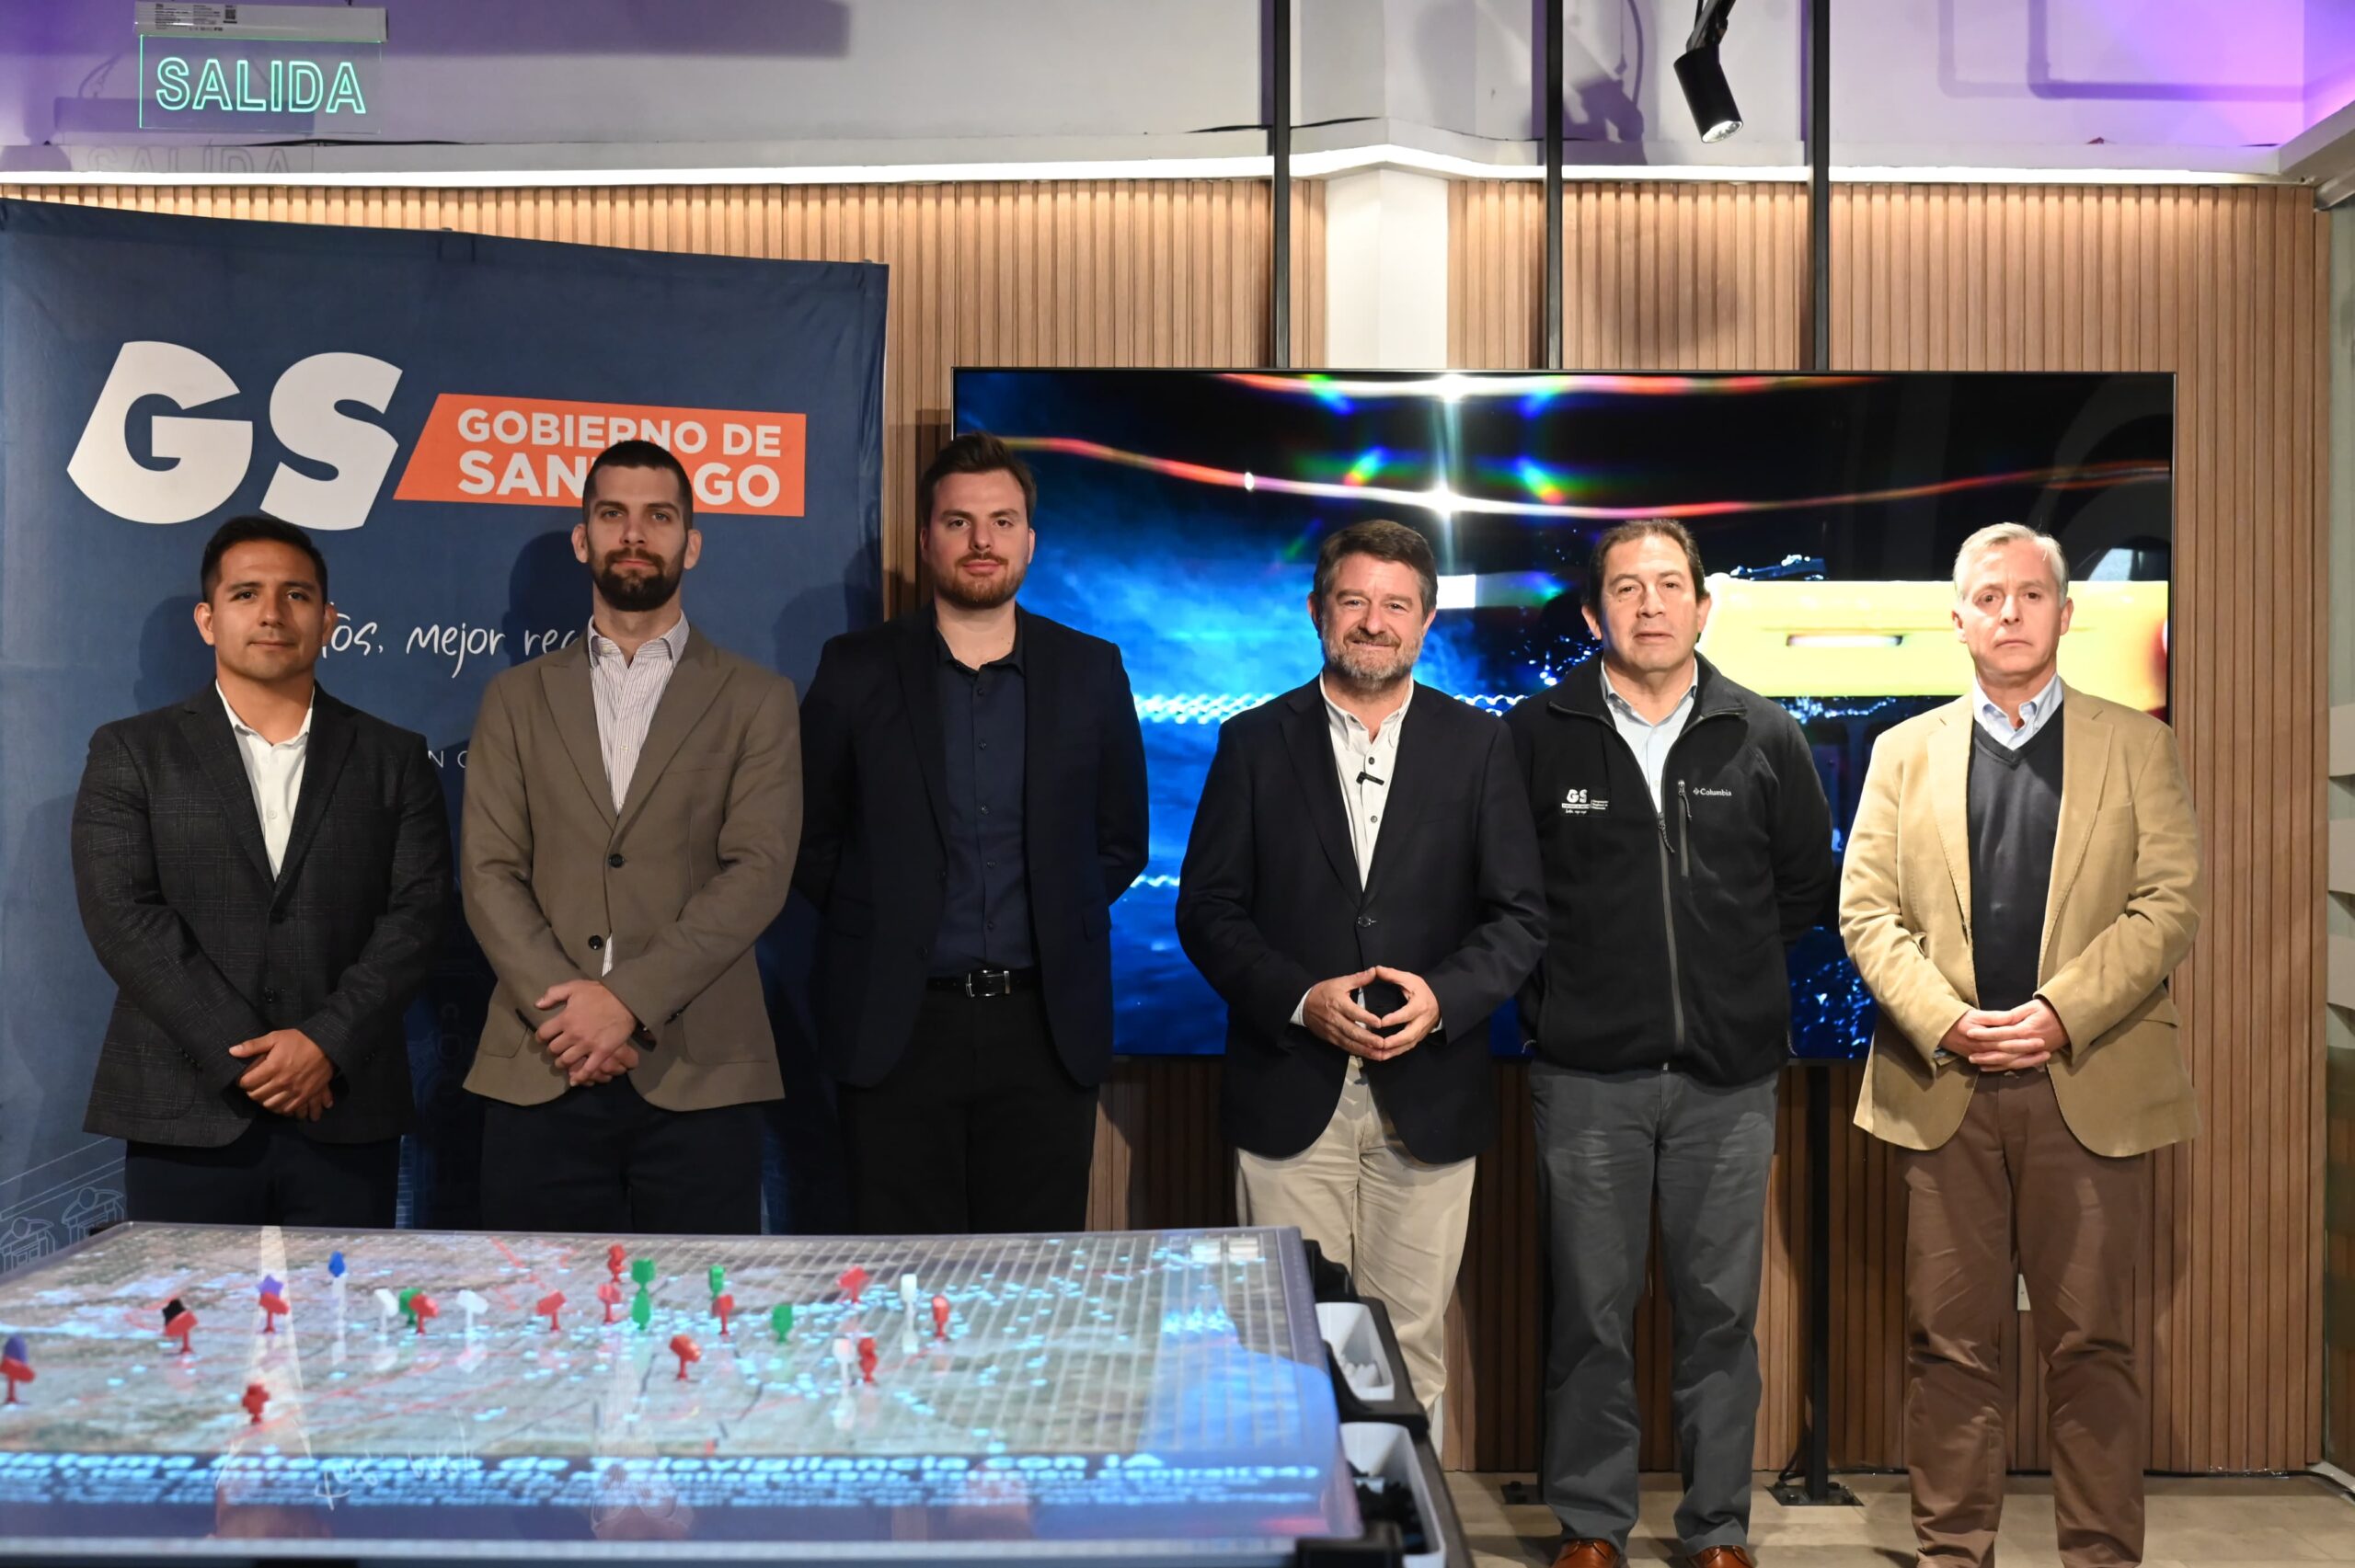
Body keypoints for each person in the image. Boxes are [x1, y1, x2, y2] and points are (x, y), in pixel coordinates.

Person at [1841, 522, 2202, 1568]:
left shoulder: (2137, 745)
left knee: (2092, 1345)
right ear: (1957, 619)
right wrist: (1948, 1019)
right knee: (1949, 1346)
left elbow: (2168, 901)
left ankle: (2099, 1554)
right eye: (1989, 597)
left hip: (2085, 1081)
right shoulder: (1901, 752)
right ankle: (1954, 1553)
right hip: (1943, 1083)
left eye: (2031, 594)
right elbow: (1865, 911)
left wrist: (2057, 1013)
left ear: (2064, 613)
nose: (2010, 612)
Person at [1503, 519, 1833, 1568]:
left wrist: (1726, 981)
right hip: (1583, 1076)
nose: (1649, 604)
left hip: (1727, 1082)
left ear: (1703, 604)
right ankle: (1590, 1525)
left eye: (1668, 585)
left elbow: (1802, 889)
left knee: (1721, 1317)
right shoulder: (1536, 734)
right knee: (1589, 1314)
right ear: (1593, 611)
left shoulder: (1764, 733)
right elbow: (1509, 895)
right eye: (1626, 587)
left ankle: (1716, 1530)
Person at [1176, 518, 1545, 1440]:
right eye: (1354, 601)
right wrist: (1301, 1000)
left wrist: (1443, 999)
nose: (1374, 622)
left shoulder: (1479, 744)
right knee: (1286, 1348)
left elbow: (1520, 917)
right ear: (1317, 611)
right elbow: (1209, 911)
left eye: (1396, 605)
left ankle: (1400, 1519)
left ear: (1425, 622)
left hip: (1431, 1093)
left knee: (1406, 1349)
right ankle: (1305, 1518)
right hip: (1287, 1088)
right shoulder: (1252, 742)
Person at [797, 432, 1148, 1233]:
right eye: (959, 522)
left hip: (1044, 1029)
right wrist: (884, 923)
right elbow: (810, 839)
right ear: (926, 539)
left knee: (1034, 1279)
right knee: (899, 1279)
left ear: (1030, 540)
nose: (981, 540)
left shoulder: (1091, 670)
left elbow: (1120, 838)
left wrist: (1053, 915)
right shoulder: (855, 668)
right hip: (896, 1027)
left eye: (1002, 521)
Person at [462, 439, 800, 1235]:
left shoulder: (758, 698)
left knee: (695, 1311)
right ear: (584, 539)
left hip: (700, 1073)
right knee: (535, 1313)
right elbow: (488, 871)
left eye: (659, 516)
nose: (635, 534)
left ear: (692, 542)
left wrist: (626, 1003)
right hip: (541, 1061)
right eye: (613, 514)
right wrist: (573, 1018)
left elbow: (758, 870)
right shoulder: (514, 698)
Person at [72, 514, 450, 1226]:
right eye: (246, 594)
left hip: (344, 1106)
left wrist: (325, 1043)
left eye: (296, 594)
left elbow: (418, 915)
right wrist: (254, 1061)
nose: (272, 613)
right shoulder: (131, 751)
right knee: (185, 1304)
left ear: (328, 620)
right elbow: (123, 917)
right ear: (208, 620)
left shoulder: (394, 757)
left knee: (339, 1303)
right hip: (184, 1110)